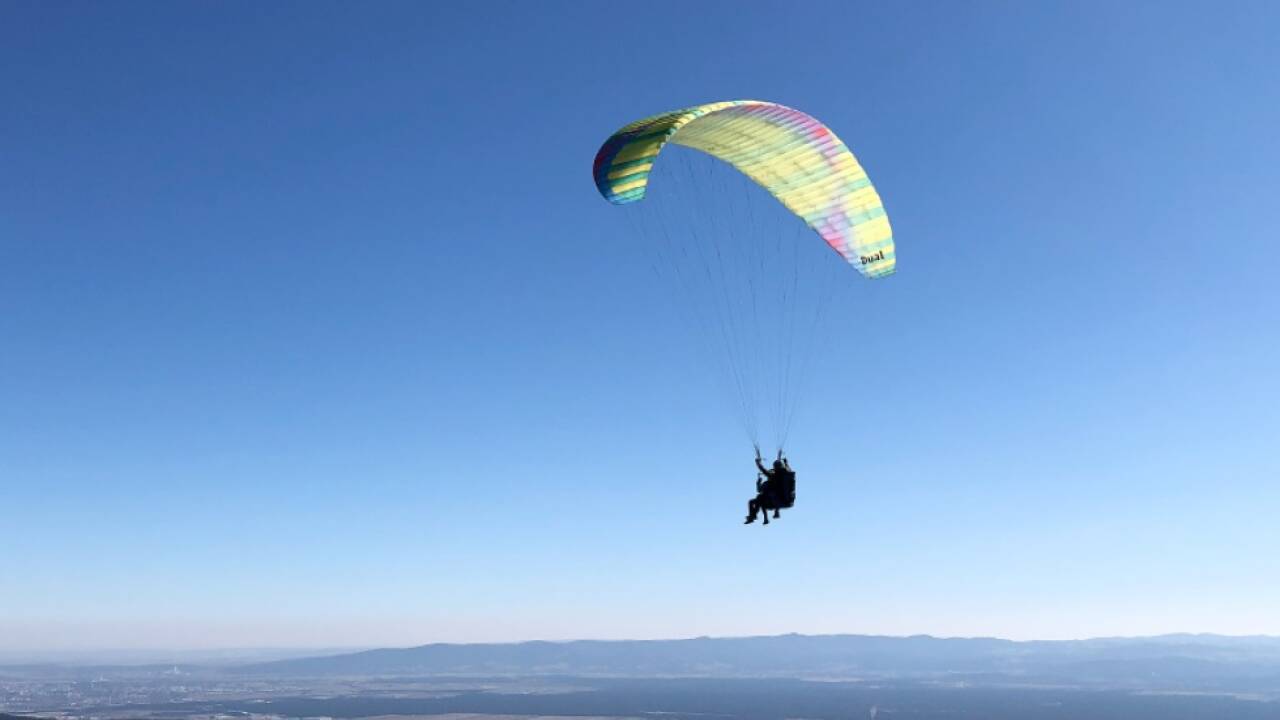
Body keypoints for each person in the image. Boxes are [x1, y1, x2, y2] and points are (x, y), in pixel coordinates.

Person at [745, 448, 796, 525]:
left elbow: (763, 470)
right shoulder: (787, 475)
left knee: (759, 498)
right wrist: (786, 463)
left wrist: (758, 463)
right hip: (784, 501)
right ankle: (757, 516)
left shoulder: (774, 476)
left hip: (776, 501)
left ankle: (754, 516)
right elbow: (789, 471)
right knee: (760, 498)